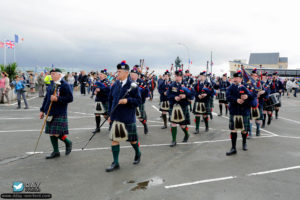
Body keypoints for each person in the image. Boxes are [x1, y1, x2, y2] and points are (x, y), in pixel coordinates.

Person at [106, 60, 142, 172]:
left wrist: (127, 100)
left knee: (132, 140)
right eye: (117, 71)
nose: (117, 73)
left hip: (127, 117)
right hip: (115, 116)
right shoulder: (115, 84)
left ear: (126, 73)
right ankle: (115, 163)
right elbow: (110, 100)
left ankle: (138, 152)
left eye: (120, 71)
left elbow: (138, 101)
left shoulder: (133, 86)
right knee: (114, 140)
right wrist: (109, 114)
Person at [40, 68, 73, 159]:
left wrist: (58, 99)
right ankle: (56, 151)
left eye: (54, 74)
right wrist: (42, 110)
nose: (52, 75)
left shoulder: (65, 85)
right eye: (51, 74)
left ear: (59, 75)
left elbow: (70, 98)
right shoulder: (51, 84)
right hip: (50, 112)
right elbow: (46, 98)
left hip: (59, 112)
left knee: (57, 133)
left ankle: (68, 142)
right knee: (51, 133)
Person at [226, 70, 254, 156]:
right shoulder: (230, 88)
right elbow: (227, 97)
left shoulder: (246, 87)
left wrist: (247, 96)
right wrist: (236, 100)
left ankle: (244, 143)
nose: (236, 79)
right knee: (233, 130)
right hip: (234, 111)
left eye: (237, 78)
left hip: (244, 111)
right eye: (234, 77)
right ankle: (233, 148)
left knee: (244, 130)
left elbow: (253, 96)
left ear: (241, 79)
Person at [167, 69, 192, 147]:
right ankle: (174, 140)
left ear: (181, 77)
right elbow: (168, 95)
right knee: (173, 123)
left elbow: (192, 94)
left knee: (182, 125)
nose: (176, 77)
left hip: (183, 106)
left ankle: (186, 134)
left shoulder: (186, 84)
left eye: (178, 76)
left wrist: (185, 96)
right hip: (174, 106)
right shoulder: (172, 85)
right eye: (175, 76)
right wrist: (174, 97)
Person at [131, 67, 150, 134]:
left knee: (140, 118)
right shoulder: (129, 81)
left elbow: (146, 90)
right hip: (130, 102)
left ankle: (145, 125)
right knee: (130, 116)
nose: (131, 75)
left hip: (139, 102)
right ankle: (133, 131)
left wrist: (145, 95)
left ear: (137, 75)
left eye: (133, 74)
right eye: (131, 74)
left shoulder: (141, 82)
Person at [92, 69, 111, 134]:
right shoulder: (98, 81)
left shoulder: (107, 82)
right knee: (97, 114)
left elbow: (108, 89)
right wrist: (94, 91)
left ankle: (111, 125)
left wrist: (100, 90)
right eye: (100, 74)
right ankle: (97, 128)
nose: (100, 75)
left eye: (101, 74)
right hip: (98, 99)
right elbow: (94, 87)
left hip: (105, 99)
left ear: (105, 75)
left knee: (106, 115)